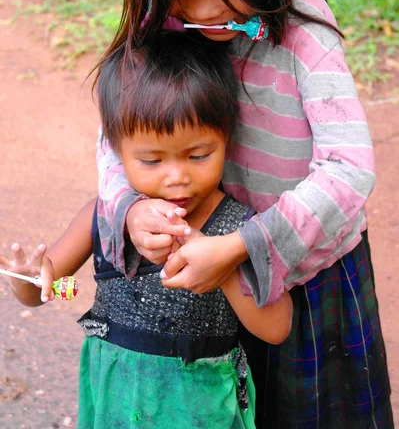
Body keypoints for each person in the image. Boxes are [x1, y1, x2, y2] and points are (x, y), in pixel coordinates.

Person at [93, 0, 394, 427]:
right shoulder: (162, 25)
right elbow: (114, 140)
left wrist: (237, 250)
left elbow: (350, 170)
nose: (205, 10)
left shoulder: (303, 31)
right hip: (210, 285)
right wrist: (128, 209)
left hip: (309, 280)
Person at [1, 31, 293, 429]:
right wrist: (29, 279)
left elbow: (276, 328)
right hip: (114, 406)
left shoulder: (238, 229)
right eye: (152, 160)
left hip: (202, 411)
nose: (177, 178)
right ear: (117, 153)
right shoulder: (103, 217)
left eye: (198, 155)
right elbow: (45, 290)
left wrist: (222, 265)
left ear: (226, 138)